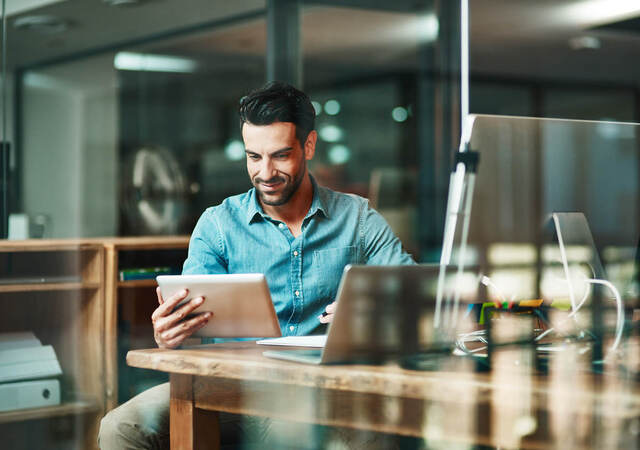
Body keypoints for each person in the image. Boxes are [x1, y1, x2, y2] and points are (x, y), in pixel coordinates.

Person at [98, 81, 415, 449]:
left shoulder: (358, 218)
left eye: (280, 155)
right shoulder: (218, 224)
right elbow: (190, 321)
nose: (265, 172)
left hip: (324, 389)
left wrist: (372, 311)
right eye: (254, 157)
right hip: (232, 387)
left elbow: (412, 293)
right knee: (121, 426)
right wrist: (169, 334)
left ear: (308, 146)